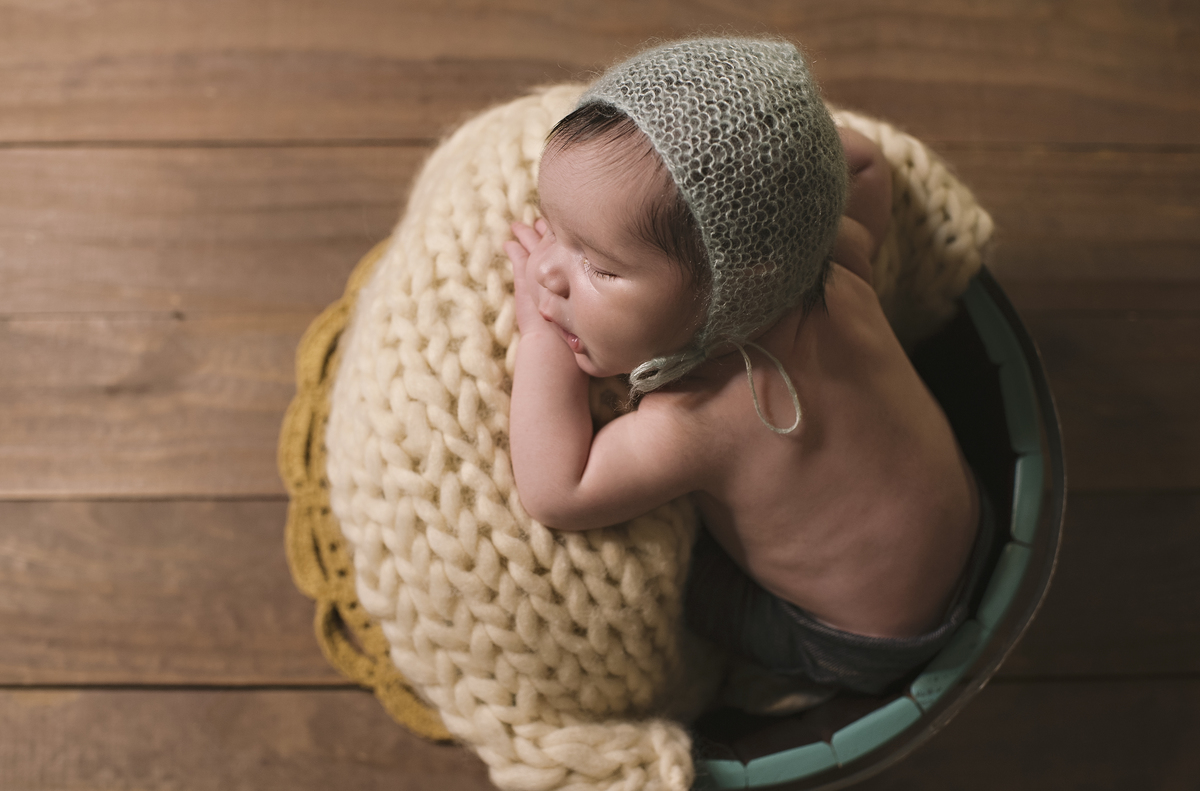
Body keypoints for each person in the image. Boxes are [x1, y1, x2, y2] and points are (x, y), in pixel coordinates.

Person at [504, 37, 991, 697]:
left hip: (859, 639)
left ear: (734, 279)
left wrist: (538, 332)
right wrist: (784, 164)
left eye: (599, 265)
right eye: (553, 230)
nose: (545, 271)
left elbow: (559, 490)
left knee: (683, 584)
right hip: (971, 520)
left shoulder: (699, 415)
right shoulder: (835, 255)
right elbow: (867, 163)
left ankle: (764, 690)